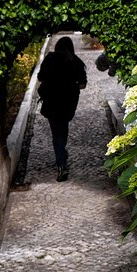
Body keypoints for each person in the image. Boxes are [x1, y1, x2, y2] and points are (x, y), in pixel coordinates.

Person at [37, 36, 87, 182]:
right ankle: (62, 158)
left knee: (56, 133)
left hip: (51, 101)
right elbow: (83, 84)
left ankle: (61, 162)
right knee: (62, 130)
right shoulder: (76, 61)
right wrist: (70, 86)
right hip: (68, 102)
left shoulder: (50, 58)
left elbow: (40, 78)